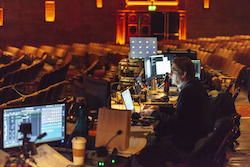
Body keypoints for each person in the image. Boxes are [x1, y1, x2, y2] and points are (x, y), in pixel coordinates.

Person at [137, 57, 211, 166]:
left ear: (183, 74)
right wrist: (159, 108)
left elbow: (175, 122)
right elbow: (182, 112)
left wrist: (154, 114)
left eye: (173, 71)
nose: (170, 74)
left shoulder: (188, 92)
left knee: (146, 151)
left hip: (187, 144)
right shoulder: (194, 87)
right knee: (156, 139)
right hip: (194, 137)